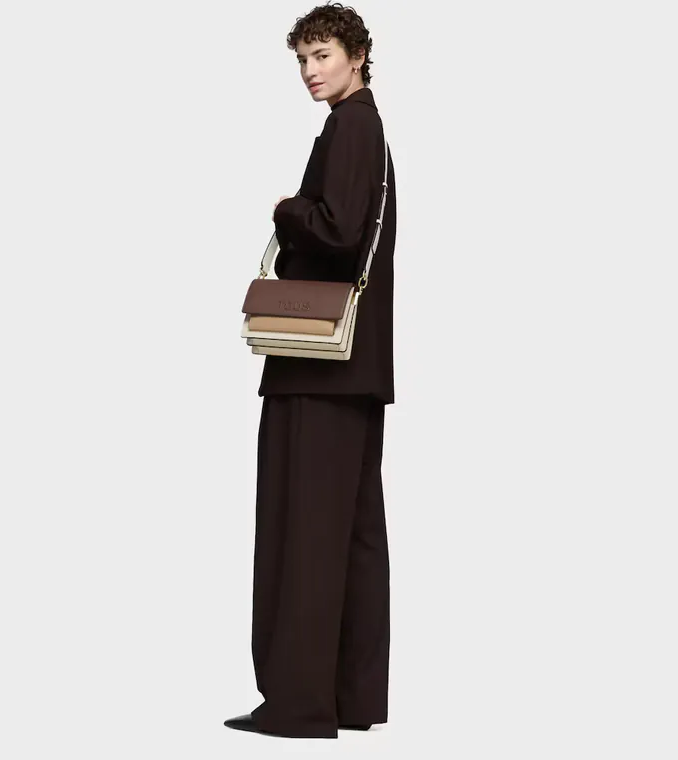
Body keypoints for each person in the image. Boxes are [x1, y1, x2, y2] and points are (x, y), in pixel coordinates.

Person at [225, 2, 397, 739]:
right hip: (352, 372)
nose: (309, 71)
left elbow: (339, 227)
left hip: (319, 369)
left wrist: (288, 211)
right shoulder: (366, 126)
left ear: (356, 55)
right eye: (302, 59)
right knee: (347, 535)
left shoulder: (351, 126)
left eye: (322, 55)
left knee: (304, 532)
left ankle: (298, 705)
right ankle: (348, 701)